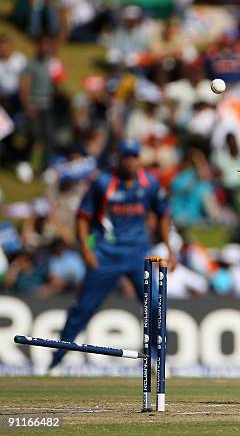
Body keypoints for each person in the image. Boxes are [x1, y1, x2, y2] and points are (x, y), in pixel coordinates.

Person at [48, 140, 175, 371]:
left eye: (134, 156)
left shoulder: (149, 183)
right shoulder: (103, 182)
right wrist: (86, 249)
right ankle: (57, 360)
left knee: (156, 303)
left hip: (138, 254)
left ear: (138, 158)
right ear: (119, 158)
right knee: (82, 309)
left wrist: (168, 247)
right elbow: (83, 217)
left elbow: (164, 212)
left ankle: (157, 358)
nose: (130, 161)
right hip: (106, 254)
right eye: (126, 156)